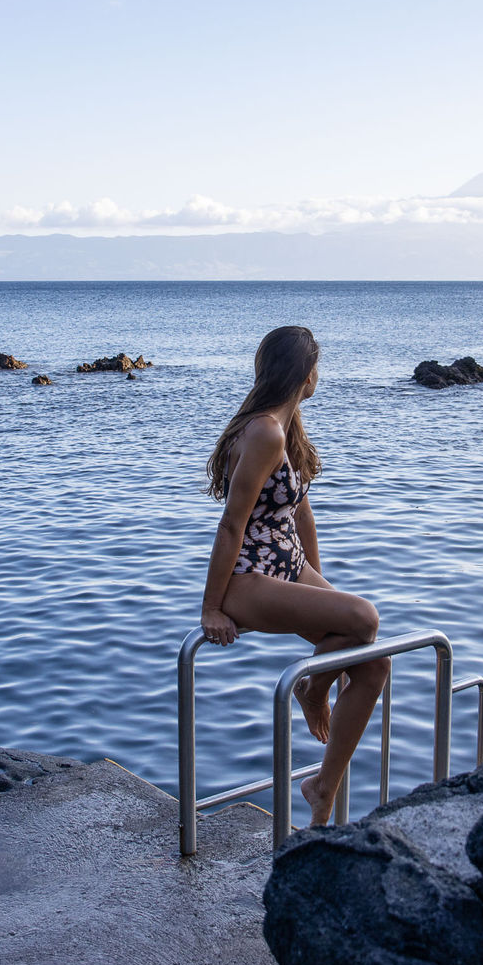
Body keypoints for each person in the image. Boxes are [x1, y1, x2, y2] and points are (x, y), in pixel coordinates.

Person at [199, 325, 389, 827]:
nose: (319, 375)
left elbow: (301, 515)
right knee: (366, 618)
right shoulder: (264, 432)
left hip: (288, 567)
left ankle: (323, 787)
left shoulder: (288, 427)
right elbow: (232, 524)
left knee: (373, 663)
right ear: (305, 375)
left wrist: (323, 598)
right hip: (248, 576)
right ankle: (311, 690)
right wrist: (211, 607)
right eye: (317, 367)